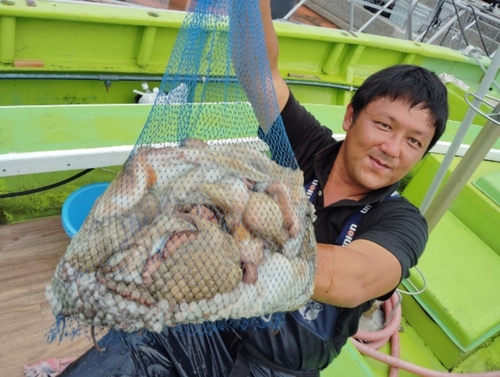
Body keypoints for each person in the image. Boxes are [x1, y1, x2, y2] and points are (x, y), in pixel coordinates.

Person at [60, 0, 448, 375]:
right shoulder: (305, 144)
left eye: (414, 142)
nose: (393, 149)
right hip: (208, 322)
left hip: (276, 367)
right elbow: (258, 70)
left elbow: (356, 279)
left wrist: (232, 251)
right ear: (351, 116)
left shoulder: (402, 221)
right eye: (384, 125)